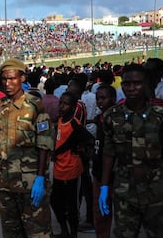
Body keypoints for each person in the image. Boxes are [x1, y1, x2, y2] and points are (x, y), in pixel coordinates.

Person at [99, 64, 163, 237]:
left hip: (156, 193)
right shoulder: (112, 116)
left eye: (137, 83)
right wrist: (104, 187)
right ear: (122, 85)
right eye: (127, 83)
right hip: (124, 193)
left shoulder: (162, 116)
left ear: (146, 85)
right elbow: (108, 153)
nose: (131, 88)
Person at [0, 58, 55, 237]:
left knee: (38, 232)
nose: (8, 83)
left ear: (22, 78)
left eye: (12, 78)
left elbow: (45, 142)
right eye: (4, 79)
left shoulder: (34, 106)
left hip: (30, 183)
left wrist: (41, 177)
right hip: (6, 183)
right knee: (11, 232)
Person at [51, 91, 94, 238]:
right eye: (60, 103)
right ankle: (64, 230)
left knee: (72, 206)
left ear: (74, 106)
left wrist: (81, 150)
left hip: (72, 171)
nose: (62, 106)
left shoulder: (75, 124)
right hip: (58, 170)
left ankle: (73, 233)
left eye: (66, 104)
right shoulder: (58, 120)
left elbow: (90, 140)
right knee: (55, 202)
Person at [92, 85, 116, 238]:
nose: (100, 101)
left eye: (103, 98)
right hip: (98, 173)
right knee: (100, 212)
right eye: (98, 98)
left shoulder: (117, 119)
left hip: (116, 175)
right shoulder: (98, 119)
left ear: (113, 99)